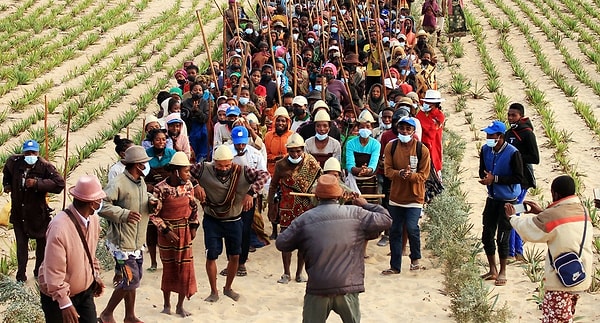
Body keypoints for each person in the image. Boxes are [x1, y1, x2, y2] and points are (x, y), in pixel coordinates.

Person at [276, 174, 392, 323]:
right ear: (339, 196)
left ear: (316, 197)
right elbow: (386, 219)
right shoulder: (356, 214)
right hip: (347, 286)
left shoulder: (304, 219)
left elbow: (282, 243)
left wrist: (302, 239)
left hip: (318, 287)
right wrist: (365, 204)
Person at [505, 175, 593, 323]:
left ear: (555, 194)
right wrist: (541, 213)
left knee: (555, 319)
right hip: (580, 274)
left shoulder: (552, 215)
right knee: (566, 316)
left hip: (560, 279)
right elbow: (563, 225)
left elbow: (530, 230)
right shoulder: (583, 210)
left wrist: (513, 217)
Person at [190, 145, 270, 302]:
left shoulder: (242, 171)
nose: (224, 168)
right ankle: (214, 291)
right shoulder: (204, 168)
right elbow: (185, 171)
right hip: (212, 219)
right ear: (214, 162)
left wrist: (251, 193)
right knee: (211, 255)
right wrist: (195, 185)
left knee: (235, 256)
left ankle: (228, 288)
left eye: (227, 165)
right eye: (220, 165)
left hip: (234, 220)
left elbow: (265, 175)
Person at [98, 145, 155, 323]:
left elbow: (143, 199)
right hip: (122, 244)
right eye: (144, 163)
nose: (146, 165)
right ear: (137, 165)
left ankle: (129, 316)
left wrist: (152, 202)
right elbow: (102, 206)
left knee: (134, 279)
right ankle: (107, 313)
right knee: (131, 279)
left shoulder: (140, 181)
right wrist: (124, 214)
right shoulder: (118, 183)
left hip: (136, 242)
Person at [39, 175, 106, 323]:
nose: (102, 201)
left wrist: (94, 275)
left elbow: (90, 252)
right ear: (93, 203)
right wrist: (65, 303)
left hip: (84, 293)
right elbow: (53, 271)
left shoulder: (93, 220)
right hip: (58, 298)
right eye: (100, 199)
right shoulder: (59, 228)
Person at [2, 139, 65, 282]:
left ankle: (38, 271)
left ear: (38, 152)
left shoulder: (44, 166)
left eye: (33, 152)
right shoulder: (14, 162)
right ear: (23, 152)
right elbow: (6, 173)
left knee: (41, 245)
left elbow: (59, 184)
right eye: (27, 152)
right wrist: (7, 185)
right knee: (21, 246)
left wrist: (37, 184)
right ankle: (21, 275)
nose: (30, 154)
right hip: (19, 213)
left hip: (38, 214)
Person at [268, 133, 322, 284]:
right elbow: (273, 185)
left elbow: (320, 179)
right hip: (287, 205)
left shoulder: (311, 162)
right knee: (286, 239)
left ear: (303, 149)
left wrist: (314, 190)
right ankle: (286, 273)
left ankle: (299, 273)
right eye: (292, 151)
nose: (295, 154)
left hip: (306, 205)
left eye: (298, 150)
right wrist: (271, 204)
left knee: (304, 240)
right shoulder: (281, 165)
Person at [150, 152, 199, 317]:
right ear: (176, 171)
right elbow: (154, 215)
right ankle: (166, 304)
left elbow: (193, 208)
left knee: (184, 268)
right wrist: (165, 230)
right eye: (185, 171)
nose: (188, 174)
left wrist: (193, 226)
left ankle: (180, 306)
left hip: (184, 232)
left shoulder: (189, 186)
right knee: (169, 268)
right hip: (167, 234)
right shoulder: (161, 188)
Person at [382, 117, 431, 274]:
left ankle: (415, 259)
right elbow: (387, 171)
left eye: (408, 129)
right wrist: (400, 173)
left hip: (415, 197)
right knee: (395, 230)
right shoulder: (391, 146)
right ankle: (395, 266)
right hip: (396, 197)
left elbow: (424, 176)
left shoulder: (422, 149)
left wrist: (409, 176)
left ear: (413, 131)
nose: (404, 131)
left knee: (412, 227)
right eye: (401, 128)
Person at [478, 120, 524, 287]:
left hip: (508, 200)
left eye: (491, 135)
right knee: (487, 234)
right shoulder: (485, 149)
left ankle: (503, 270)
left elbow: (519, 177)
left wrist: (495, 179)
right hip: (492, 198)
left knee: (503, 237)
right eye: (487, 135)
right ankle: (492, 269)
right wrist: (485, 180)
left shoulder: (513, 153)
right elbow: (483, 169)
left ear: (500, 136)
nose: (488, 138)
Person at [504, 102, 540, 262]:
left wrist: (516, 158)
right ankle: (516, 252)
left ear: (521, 116)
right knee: (514, 213)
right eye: (509, 115)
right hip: (510, 180)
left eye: (514, 115)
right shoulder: (508, 133)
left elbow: (535, 158)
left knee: (513, 213)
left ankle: (513, 253)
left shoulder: (527, 134)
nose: (511, 118)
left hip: (523, 180)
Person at [415, 89, 445, 177]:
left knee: (434, 165)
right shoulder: (420, 113)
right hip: (421, 144)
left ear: (434, 104)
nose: (426, 104)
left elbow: (431, 129)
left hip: (433, 145)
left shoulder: (439, 116)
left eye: (428, 103)